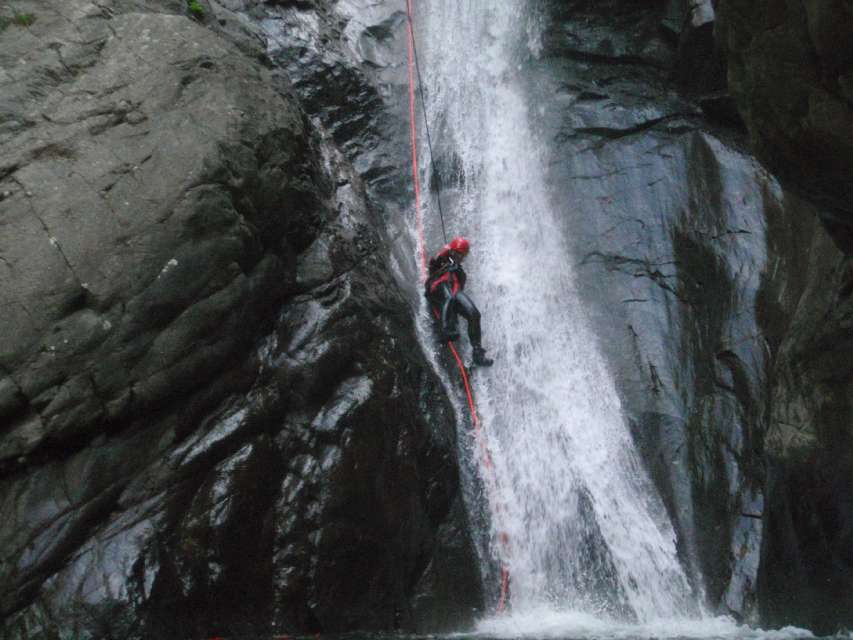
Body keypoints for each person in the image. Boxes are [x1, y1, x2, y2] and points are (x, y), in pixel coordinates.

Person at [425, 236, 494, 367]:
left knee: (474, 314)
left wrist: (456, 268)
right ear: (453, 251)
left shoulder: (459, 269)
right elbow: (435, 262)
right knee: (449, 297)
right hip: (437, 285)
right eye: (459, 254)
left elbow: (460, 286)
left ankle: (477, 353)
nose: (461, 257)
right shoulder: (443, 259)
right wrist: (447, 256)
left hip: (454, 290)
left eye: (463, 255)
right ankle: (445, 330)